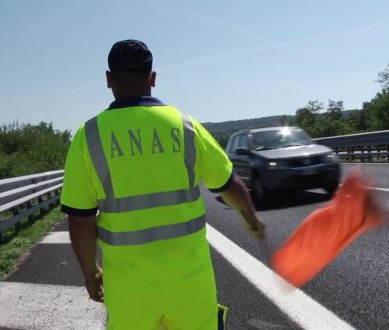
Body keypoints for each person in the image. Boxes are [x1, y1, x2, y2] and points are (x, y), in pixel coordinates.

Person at [60, 39, 265, 330]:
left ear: (108, 79)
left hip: (129, 294)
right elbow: (229, 184)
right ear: (153, 78)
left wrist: (91, 273)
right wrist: (251, 219)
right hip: (191, 288)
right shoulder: (185, 126)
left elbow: (80, 220)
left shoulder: (88, 136)